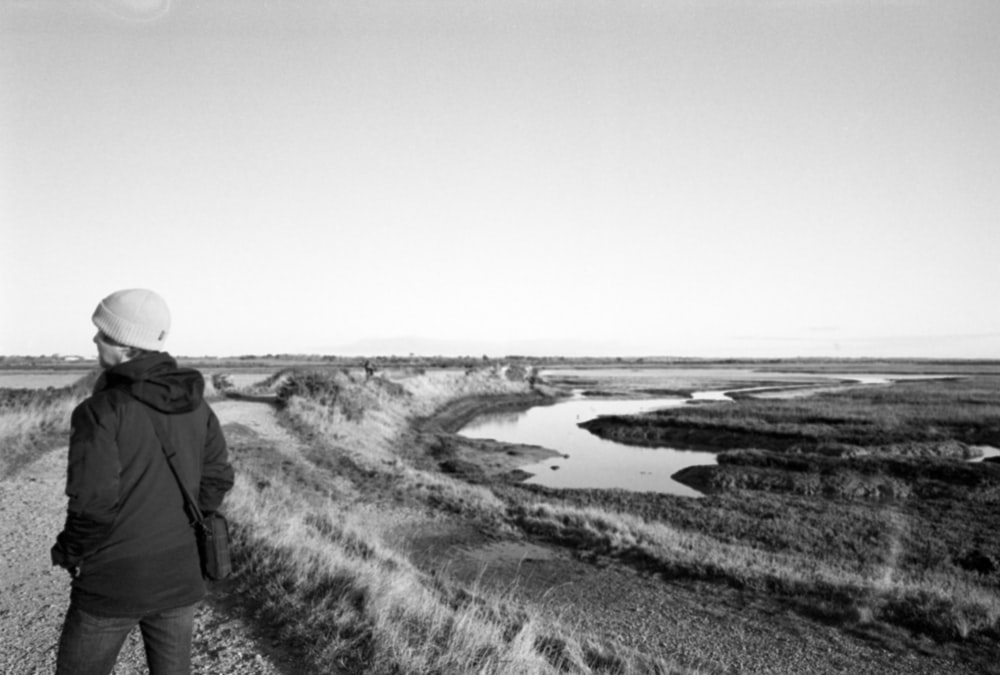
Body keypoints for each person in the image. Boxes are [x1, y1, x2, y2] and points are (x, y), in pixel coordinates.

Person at [51, 288, 235, 675]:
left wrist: (70, 552)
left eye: (100, 333)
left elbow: (92, 503)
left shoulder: (99, 411)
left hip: (113, 581)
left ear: (123, 343)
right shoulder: (197, 404)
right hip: (180, 574)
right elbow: (217, 478)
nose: (94, 340)